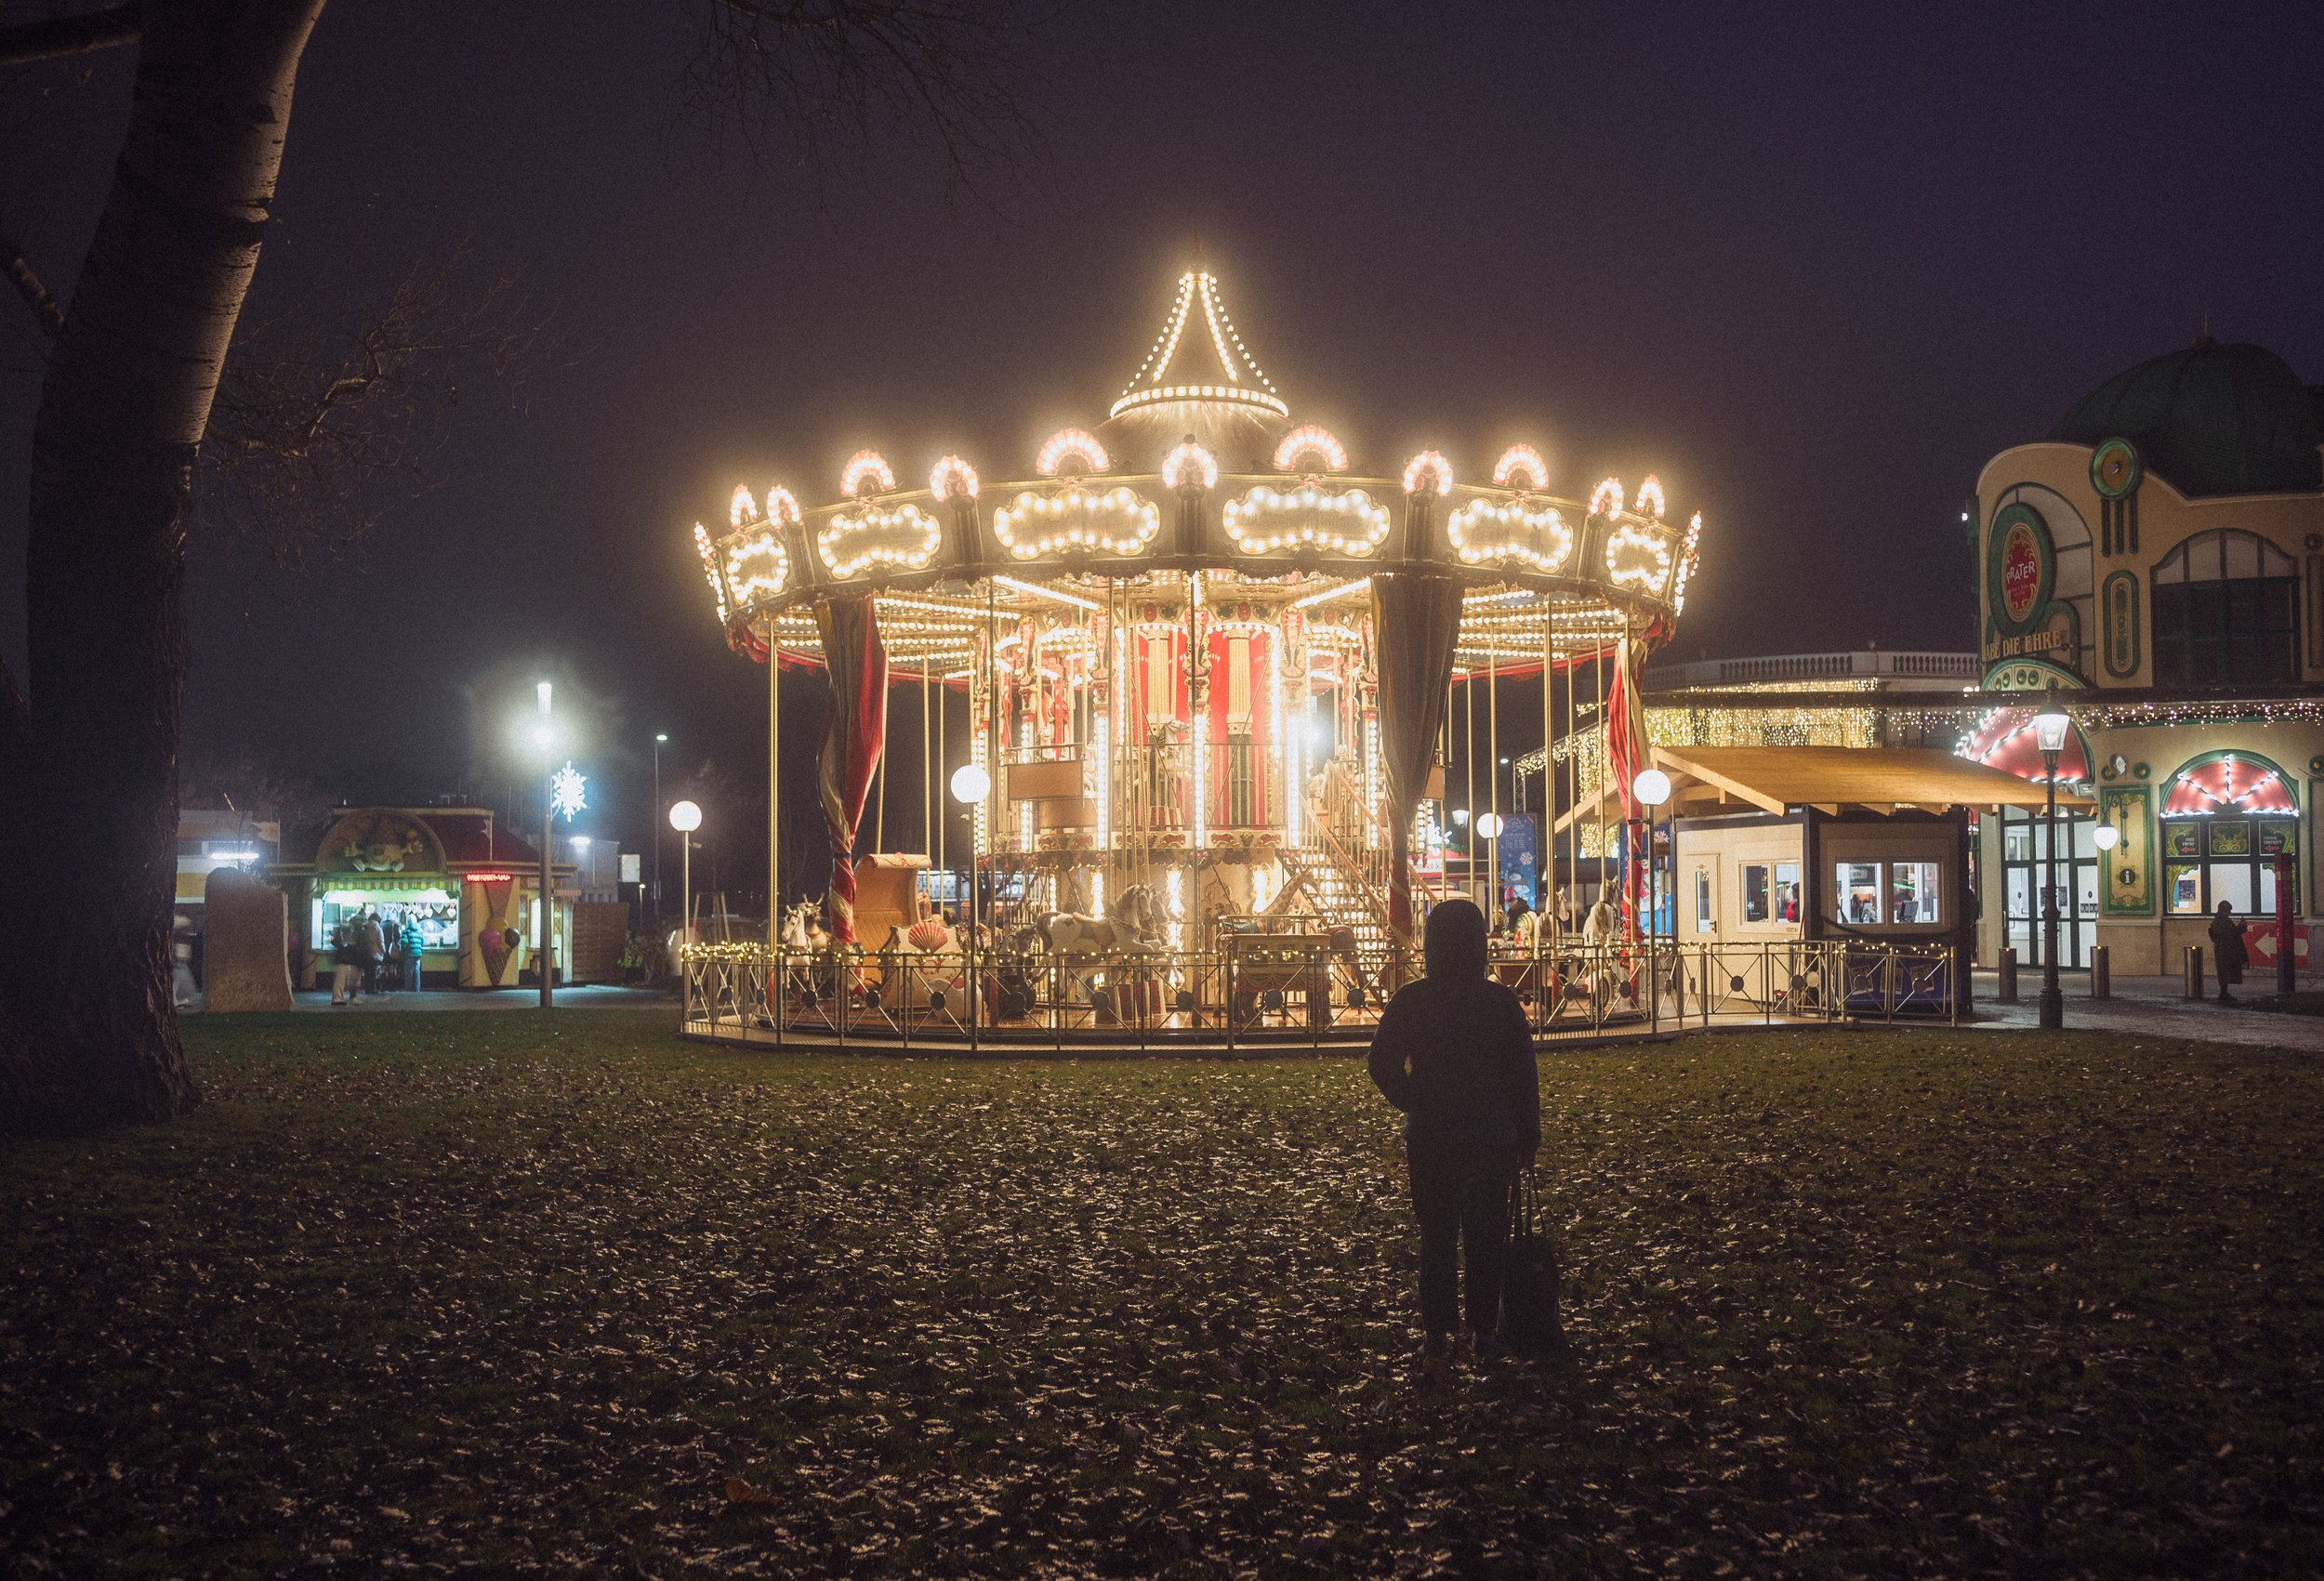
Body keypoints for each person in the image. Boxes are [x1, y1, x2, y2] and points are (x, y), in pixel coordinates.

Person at [1367, 898, 1541, 1367]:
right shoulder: (1499, 1003)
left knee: (1437, 1237)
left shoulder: (1413, 1000)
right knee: (1487, 1236)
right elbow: (1523, 1074)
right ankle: (1484, 1331)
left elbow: (1380, 1061)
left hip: (1431, 1135)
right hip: (1491, 1135)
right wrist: (1529, 1134)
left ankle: (1437, 1335)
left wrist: (1413, 1100)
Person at [2209, 901, 2249, 1004]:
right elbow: (2230, 934)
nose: (2230, 913)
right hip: (2225, 951)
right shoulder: (2222, 921)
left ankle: (2224, 993)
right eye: (2228, 911)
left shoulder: (2219, 920)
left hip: (2224, 950)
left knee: (2225, 972)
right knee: (2225, 972)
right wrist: (2241, 927)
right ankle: (2223, 993)